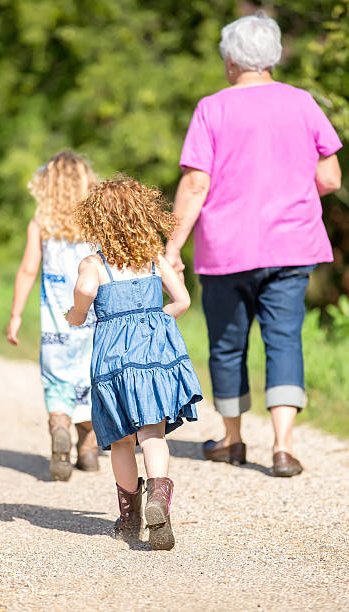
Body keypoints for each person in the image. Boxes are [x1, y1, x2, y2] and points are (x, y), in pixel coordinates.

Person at [165, 12, 342, 477]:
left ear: (230, 61)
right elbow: (329, 176)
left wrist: (171, 249)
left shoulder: (212, 108)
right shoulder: (303, 103)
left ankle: (233, 439)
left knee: (227, 345)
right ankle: (282, 447)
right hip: (292, 245)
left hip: (227, 250)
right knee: (284, 340)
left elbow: (196, 184)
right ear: (275, 58)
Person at [65, 177, 202, 550]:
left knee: (122, 442)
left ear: (96, 221)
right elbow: (183, 300)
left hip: (112, 360)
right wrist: (156, 322)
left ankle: (129, 520)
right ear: (143, 215)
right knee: (152, 435)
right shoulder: (154, 256)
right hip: (153, 357)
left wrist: (76, 314)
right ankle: (160, 500)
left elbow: (86, 293)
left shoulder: (94, 263)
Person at [7, 151, 100, 480]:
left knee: (57, 381)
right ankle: (88, 447)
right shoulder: (96, 222)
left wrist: (16, 315)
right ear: (87, 182)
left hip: (54, 325)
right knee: (88, 381)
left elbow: (28, 269)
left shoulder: (41, 223)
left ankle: (59, 426)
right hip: (91, 321)